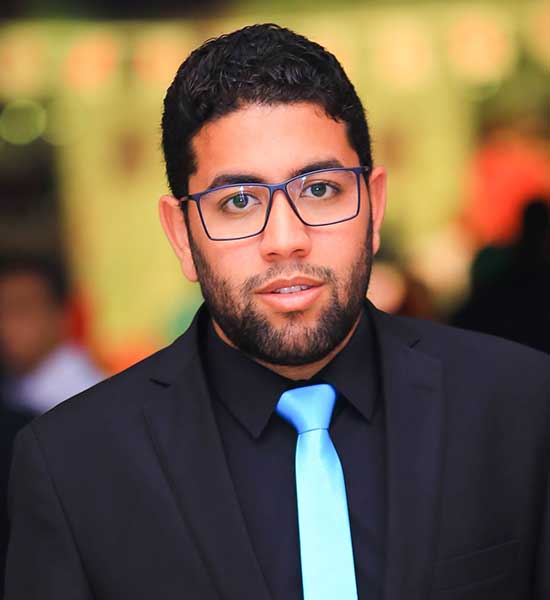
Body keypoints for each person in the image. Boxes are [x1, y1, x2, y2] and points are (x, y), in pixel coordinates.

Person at [4, 24, 549, 600]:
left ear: (374, 205)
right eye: (238, 201)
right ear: (182, 233)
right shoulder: (74, 465)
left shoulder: (521, 407)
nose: (285, 240)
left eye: (320, 190)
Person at [0, 254, 104, 596]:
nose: (6, 325)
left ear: (62, 315)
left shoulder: (88, 399)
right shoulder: (14, 393)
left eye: (20, 309)